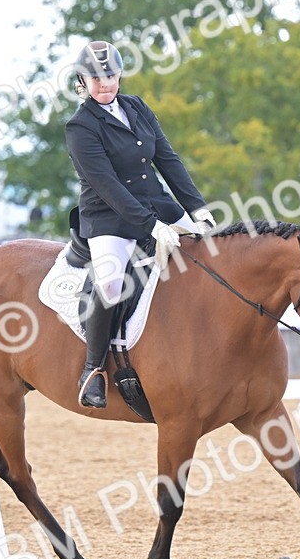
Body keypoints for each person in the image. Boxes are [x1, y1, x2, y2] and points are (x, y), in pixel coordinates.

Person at [65, 40, 216, 408]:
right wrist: (150, 226)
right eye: (96, 79)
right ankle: (93, 369)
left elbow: (167, 158)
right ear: (82, 81)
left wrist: (196, 208)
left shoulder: (137, 107)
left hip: (158, 206)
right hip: (108, 218)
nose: (106, 85)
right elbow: (108, 185)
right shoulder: (80, 127)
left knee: (209, 255)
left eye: (112, 76)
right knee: (112, 282)